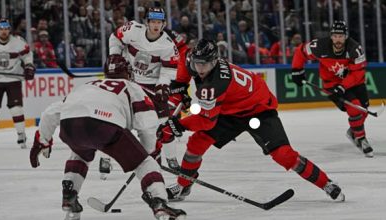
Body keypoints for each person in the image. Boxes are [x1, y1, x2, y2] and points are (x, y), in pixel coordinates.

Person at [157, 39, 345, 203]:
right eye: (197, 64)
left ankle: (325, 183)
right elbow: (183, 66)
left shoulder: (216, 83)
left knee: (284, 155)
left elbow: (206, 121)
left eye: (205, 65)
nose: (200, 69)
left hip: (258, 110)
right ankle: (183, 185)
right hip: (229, 111)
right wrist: (180, 87)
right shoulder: (192, 60)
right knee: (196, 144)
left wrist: (177, 125)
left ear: (214, 61)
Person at [29, 55, 186, 220]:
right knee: (144, 163)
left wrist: (42, 141)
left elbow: (50, 113)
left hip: (70, 125)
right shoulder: (131, 86)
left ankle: (69, 195)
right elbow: (146, 124)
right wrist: (151, 154)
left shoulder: (88, 85)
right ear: (127, 72)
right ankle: (159, 203)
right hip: (104, 126)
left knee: (80, 154)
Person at [106, 7, 181, 173]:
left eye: (159, 22)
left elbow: (169, 70)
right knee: (118, 119)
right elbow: (115, 37)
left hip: (152, 85)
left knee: (164, 122)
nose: (156, 25)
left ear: (164, 24)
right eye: (153, 21)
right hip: (128, 80)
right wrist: (115, 55)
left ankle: (171, 158)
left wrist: (163, 86)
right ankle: (106, 158)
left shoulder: (168, 45)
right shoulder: (132, 30)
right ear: (146, 22)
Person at [291, 21, 373, 157]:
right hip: (331, 84)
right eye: (335, 36)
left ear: (346, 36)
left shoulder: (355, 49)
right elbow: (300, 52)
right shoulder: (320, 46)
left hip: (354, 82)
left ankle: (353, 132)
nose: (338, 39)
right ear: (331, 36)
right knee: (355, 108)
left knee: (363, 109)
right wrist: (296, 70)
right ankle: (361, 138)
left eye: (341, 36)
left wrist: (343, 86)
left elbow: (357, 73)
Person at [0, 18, 35, 148]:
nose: (4, 31)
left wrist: (29, 67)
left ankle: (21, 134)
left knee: (16, 109)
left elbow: (28, 55)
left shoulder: (18, 42)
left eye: (6, 29)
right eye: (1, 29)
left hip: (14, 79)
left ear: (9, 30)